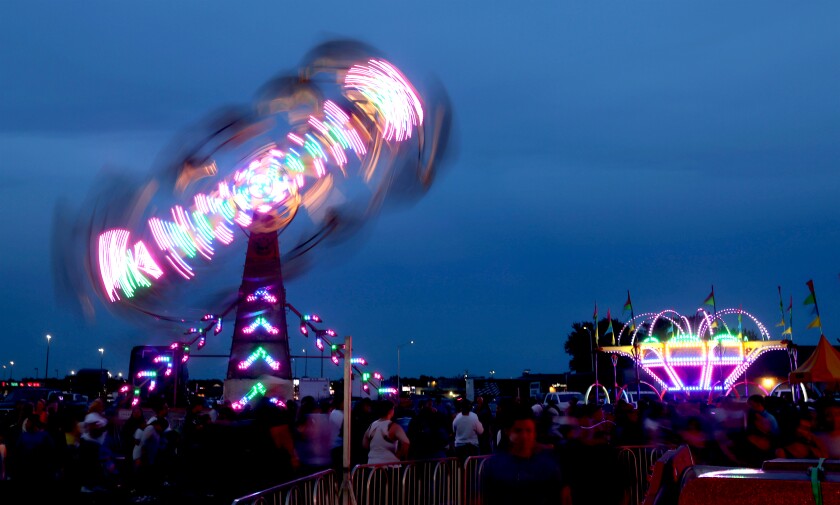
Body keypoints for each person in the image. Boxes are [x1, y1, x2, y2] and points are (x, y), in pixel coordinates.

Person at [481, 406, 567, 505]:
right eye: (518, 431)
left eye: (528, 430)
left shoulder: (548, 465)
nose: (524, 436)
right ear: (507, 431)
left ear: (534, 432)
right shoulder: (493, 466)